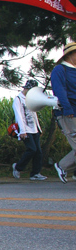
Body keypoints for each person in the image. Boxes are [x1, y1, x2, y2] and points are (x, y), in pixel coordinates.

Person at [50, 42, 76, 183]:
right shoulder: (60, 70)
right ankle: (63, 166)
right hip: (69, 113)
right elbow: (59, 90)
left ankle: (62, 166)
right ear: (70, 55)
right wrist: (67, 108)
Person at [12, 80, 46, 181]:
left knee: (38, 152)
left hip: (34, 129)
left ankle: (35, 173)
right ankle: (18, 167)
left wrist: (38, 128)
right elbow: (19, 115)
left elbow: (34, 114)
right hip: (25, 129)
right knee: (32, 149)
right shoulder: (18, 99)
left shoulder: (31, 99)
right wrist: (22, 131)